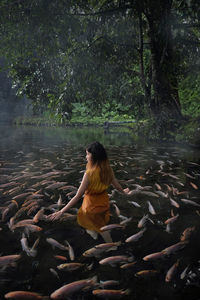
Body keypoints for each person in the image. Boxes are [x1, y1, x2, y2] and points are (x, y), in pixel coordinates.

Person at [48, 141, 130, 242]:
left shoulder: (89, 174)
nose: (86, 157)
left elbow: (78, 196)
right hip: (103, 202)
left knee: (102, 228)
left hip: (91, 205)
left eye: (87, 154)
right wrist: (124, 192)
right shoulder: (108, 169)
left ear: (94, 156)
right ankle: (94, 232)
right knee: (99, 222)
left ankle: (111, 246)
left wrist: (61, 211)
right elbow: (117, 186)